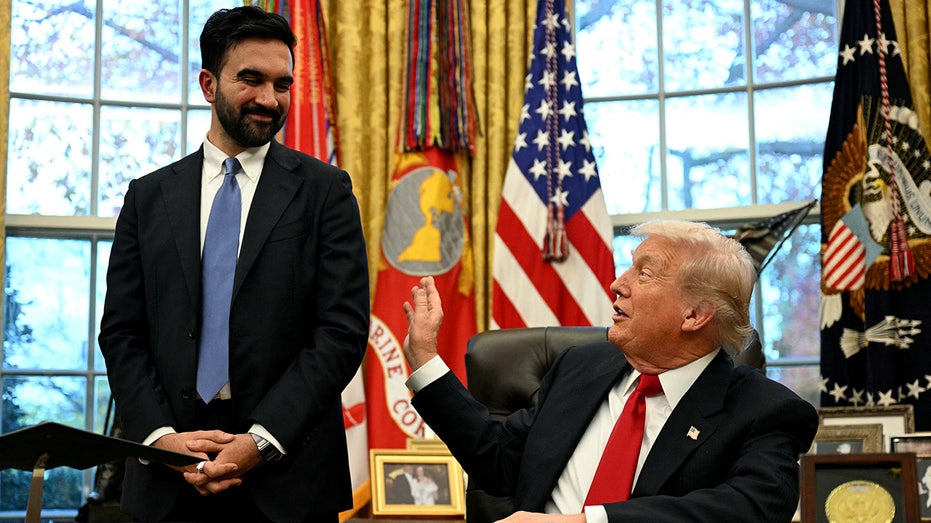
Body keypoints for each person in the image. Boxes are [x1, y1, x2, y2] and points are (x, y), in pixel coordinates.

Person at [98, 6, 369, 522]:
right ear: (208, 83)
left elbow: (341, 332)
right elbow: (121, 334)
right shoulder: (147, 198)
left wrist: (261, 440)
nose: (269, 98)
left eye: (282, 83)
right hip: (167, 481)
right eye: (251, 79)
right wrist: (160, 439)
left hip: (288, 481)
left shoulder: (326, 193)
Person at [401, 220, 818, 523]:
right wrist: (424, 360)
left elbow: (748, 508)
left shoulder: (765, 411)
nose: (617, 284)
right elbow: (498, 459)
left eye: (644, 273)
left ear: (694, 314)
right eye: (628, 267)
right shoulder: (580, 369)